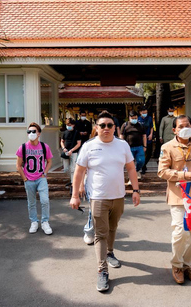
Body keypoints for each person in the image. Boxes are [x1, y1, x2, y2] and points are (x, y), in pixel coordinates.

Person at [70, 111, 141, 292]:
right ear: (96, 128)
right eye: (102, 125)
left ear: (115, 128)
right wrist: (75, 195)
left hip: (118, 196)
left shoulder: (122, 145)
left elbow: (131, 169)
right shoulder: (89, 146)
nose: (106, 128)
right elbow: (78, 172)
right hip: (98, 197)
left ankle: (110, 253)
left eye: (110, 125)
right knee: (100, 233)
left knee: (113, 227)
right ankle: (102, 270)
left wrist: (135, 190)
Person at [157, 115, 191, 285]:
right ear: (174, 130)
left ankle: (188, 265)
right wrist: (183, 175)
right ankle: (177, 265)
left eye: (188, 125)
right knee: (180, 232)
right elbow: (162, 171)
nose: (185, 128)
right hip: (179, 196)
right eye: (181, 126)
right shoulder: (167, 147)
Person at [16, 122, 53, 235]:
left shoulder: (44, 146)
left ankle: (45, 222)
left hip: (41, 179)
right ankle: (34, 222)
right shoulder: (23, 147)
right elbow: (18, 165)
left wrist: (45, 173)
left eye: (34, 131)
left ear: (39, 134)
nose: (31, 133)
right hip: (29, 179)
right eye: (29, 132)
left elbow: (49, 161)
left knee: (45, 201)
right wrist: (24, 178)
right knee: (31, 203)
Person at [120, 110, 147, 180]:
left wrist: (145, 146)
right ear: (129, 118)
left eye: (135, 118)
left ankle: (136, 170)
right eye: (133, 118)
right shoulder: (125, 125)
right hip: (129, 147)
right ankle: (132, 176)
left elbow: (144, 136)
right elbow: (121, 136)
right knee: (130, 163)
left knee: (141, 161)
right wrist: (121, 146)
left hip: (139, 147)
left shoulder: (140, 125)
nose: (134, 119)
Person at [60, 118, 81, 187]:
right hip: (66, 151)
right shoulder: (65, 132)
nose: (68, 126)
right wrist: (63, 148)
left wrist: (72, 150)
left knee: (73, 168)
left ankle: (73, 182)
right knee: (66, 168)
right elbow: (62, 141)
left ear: (73, 125)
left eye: (70, 124)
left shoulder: (76, 132)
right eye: (67, 124)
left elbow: (79, 143)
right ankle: (71, 179)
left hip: (74, 152)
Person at [138, 105, 154, 175]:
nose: (145, 113)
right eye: (144, 112)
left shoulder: (149, 118)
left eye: (146, 112)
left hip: (148, 138)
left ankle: (144, 164)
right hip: (141, 139)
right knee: (142, 153)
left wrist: (151, 134)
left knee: (149, 153)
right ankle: (143, 167)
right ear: (140, 112)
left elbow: (151, 127)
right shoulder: (138, 119)